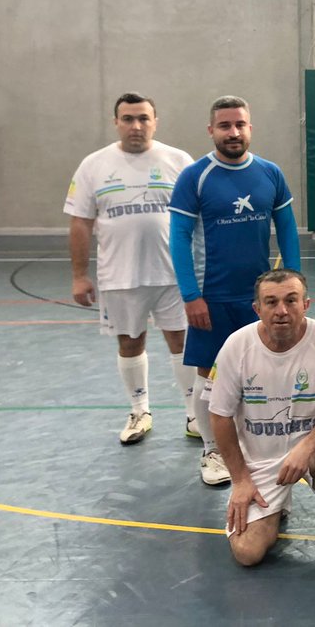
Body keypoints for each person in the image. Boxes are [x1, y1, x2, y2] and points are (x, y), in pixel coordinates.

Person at [169, 96, 301, 486]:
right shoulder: (195, 177)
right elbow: (177, 238)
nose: (233, 132)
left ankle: (257, 447)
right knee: (209, 374)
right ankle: (212, 449)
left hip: (259, 299)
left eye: (239, 124)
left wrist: (290, 287)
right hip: (212, 296)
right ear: (211, 130)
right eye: (224, 125)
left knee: (261, 374)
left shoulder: (269, 173)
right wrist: (191, 295)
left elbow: (288, 228)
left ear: (250, 127)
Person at [65, 92, 195, 445]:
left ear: (155, 120)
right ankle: (140, 411)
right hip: (119, 275)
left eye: (143, 118)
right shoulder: (93, 165)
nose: (136, 126)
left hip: (173, 274)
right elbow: (80, 222)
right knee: (130, 342)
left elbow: (201, 215)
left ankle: (194, 414)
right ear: (116, 122)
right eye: (128, 119)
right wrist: (79, 275)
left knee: (182, 342)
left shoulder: (179, 160)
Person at [208, 269, 315, 565]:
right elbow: (220, 417)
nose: (281, 311)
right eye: (271, 302)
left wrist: (305, 447)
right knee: (247, 553)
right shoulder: (236, 347)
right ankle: (275, 509)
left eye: (291, 300)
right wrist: (240, 480)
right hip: (260, 461)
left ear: (306, 304)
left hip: (313, 450)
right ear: (257, 309)